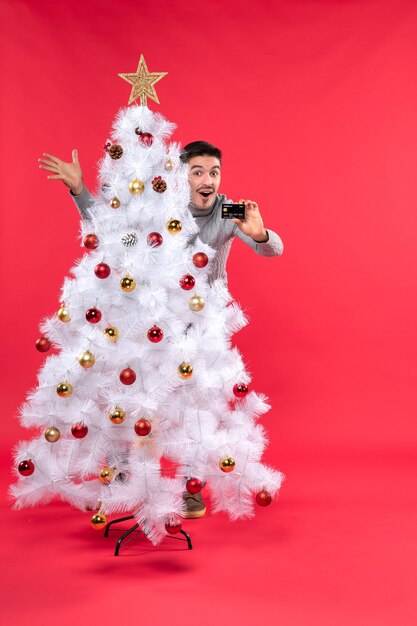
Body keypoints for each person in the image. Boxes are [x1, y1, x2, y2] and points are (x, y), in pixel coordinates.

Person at [38, 140, 284, 518]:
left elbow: (272, 249)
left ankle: (191, 487)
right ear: (181, 175)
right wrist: (79, 190)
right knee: (134, 394)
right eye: (198, 172)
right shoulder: (162, 205)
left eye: (213, 172)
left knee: (196, 411)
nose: (207, 180)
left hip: (201, 327)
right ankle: (120, 476)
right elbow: (110, 226)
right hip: (154, 323)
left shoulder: (226, 209)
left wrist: (262, 234)